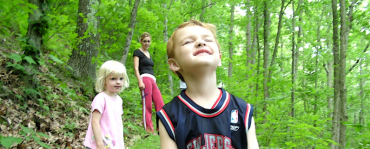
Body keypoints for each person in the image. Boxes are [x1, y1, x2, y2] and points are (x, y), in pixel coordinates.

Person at [156, 20, 260, 149]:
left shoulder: (243, 111)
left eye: (208, 40)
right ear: (174, 64)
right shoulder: (169, 116)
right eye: (188, 42)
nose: (201, 42)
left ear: (219, 58)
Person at [84, 60, 129, 149]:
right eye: (113, 79)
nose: (118, 82)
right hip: (99, 144)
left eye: (121, 78)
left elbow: (116, 124)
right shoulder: (101, 98)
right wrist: (99, 144)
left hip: (112, 143)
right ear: (104, 80)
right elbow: (95, 121)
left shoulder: (119, 100)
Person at [133, 32, 164, 134]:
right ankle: (149, 129)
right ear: (141, 41)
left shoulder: (149, 54)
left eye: (148, 41)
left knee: (160, 104)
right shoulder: (137, 52)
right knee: (148, 105)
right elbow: (136, 68)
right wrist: (140, 81)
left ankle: (161, 128)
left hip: (153, 80)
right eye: (145, 41)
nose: (147, 43)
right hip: (144, 79)